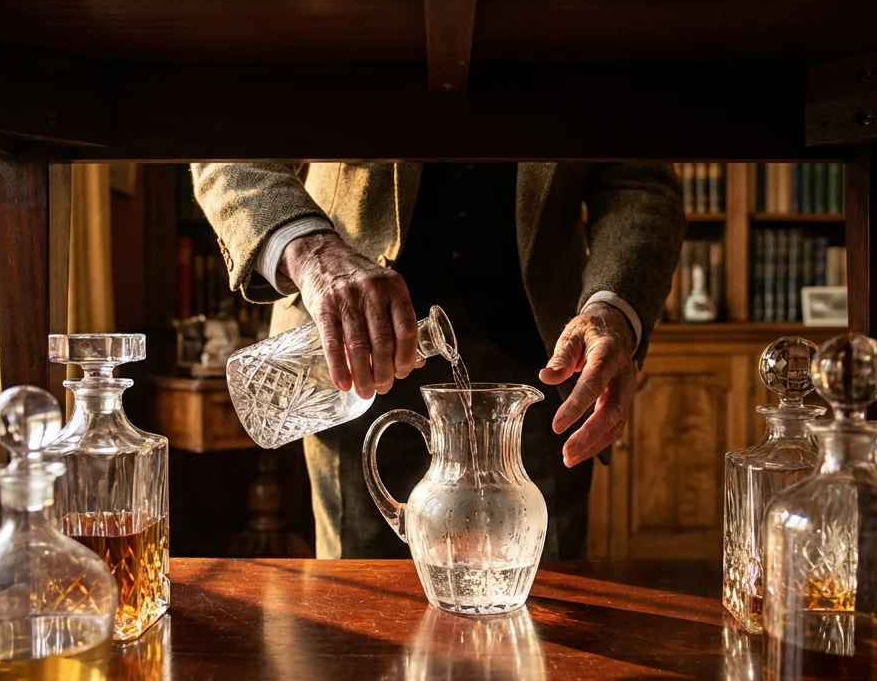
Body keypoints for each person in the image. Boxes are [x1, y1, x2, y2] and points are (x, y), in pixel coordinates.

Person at [192, 163, 685, 560]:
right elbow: (225, 147)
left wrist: (614, 308)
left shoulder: (595, 36)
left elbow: (638, 182)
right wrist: (310, 250)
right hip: (350, 364)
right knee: (360, 628)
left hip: (542, 372)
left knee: (547, 620)